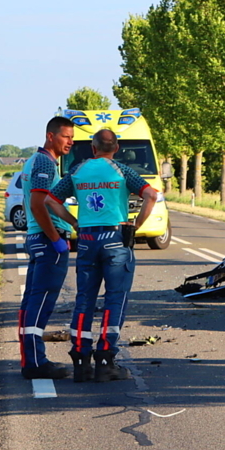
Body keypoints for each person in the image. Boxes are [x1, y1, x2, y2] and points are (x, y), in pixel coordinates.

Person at [44, 129, 158, 382]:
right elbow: (151, 195)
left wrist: (74, 222)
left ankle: (81, 358)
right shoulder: (122, 171)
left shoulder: (77, 171)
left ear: (93, 149)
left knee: (84, 298)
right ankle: (106, 359)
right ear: (115, 148)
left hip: (86, 240)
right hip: (116, 239)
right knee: (115, 299)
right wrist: (136, 224)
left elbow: (51, 201)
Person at [18, 115, 76, 380]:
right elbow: (38, 204)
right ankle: (36, 363)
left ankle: (30, 359)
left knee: (32, 300)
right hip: (44, 240)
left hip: (37, 239)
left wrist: (75, 224)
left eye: (72, 137)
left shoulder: (35, 160)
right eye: (66, 136)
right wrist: (56, 239)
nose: (70, 142)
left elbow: (50, 203)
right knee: (41, 303)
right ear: (50, 136)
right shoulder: (44, 162)